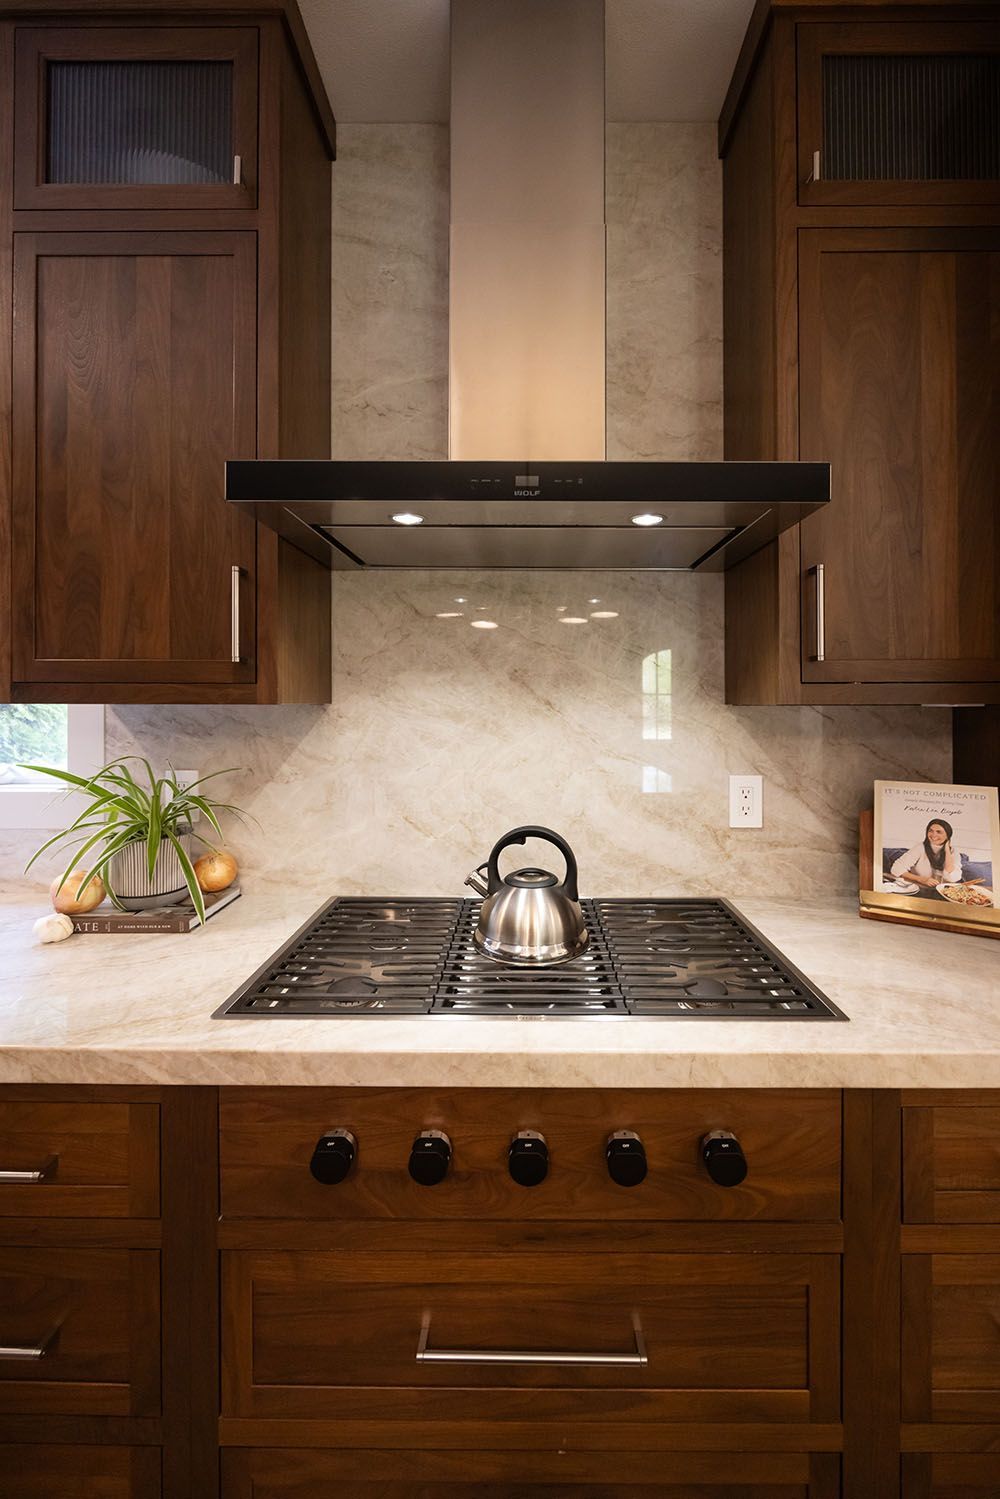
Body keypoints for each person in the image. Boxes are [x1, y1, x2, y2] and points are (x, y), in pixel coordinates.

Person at [889, 818, 962, 890]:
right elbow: (896, 868)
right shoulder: (920, 847)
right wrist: (922, 879)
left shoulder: (953, 851)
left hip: (943, 891)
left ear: (947, 836)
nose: (933, 835)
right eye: (931, 831)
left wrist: (947, 850)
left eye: (939, 832)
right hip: (920, 889)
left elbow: (952, 878)